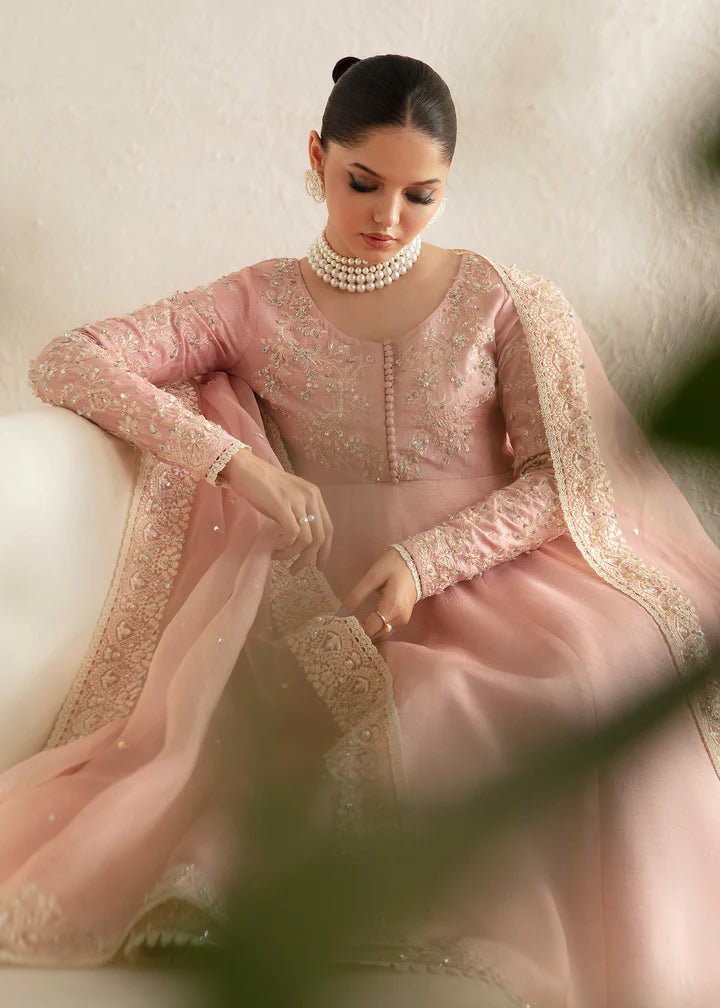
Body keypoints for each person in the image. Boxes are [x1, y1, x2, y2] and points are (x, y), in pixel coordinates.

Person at [3, 52, 720, 1008]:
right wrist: (239, 463)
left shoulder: (499, 298)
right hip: (322, 586)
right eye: (363, 183)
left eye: (422, 196)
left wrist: (424, 561)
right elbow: (68, 362)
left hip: (494, 572)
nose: (388, 218)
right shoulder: (253, 302)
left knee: (587, 680)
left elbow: (564, 479)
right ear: (317, 157)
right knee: (288, 726)